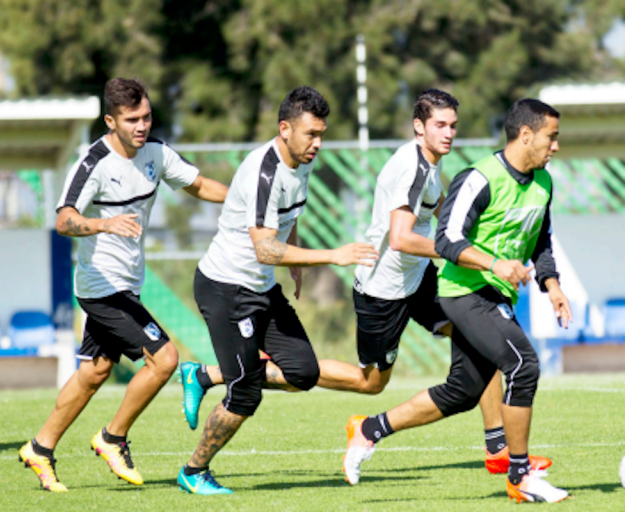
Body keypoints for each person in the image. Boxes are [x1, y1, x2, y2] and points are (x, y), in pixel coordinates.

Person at [180, 89, 550, 475]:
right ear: (419, 127)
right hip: (382, 290)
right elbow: (401, 239)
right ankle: (211, 384)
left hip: (416, 277)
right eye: (440, 125)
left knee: (478, 333)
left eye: (453, 125)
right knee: (369, 383)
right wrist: (459, 251)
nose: (449, 133)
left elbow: (435, 206)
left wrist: (467, 232)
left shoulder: (424, 163)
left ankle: (498, 448)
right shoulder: (405, 167)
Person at [343, 99, 571, 504]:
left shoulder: (544, 183)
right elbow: (446, 239)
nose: (555, 146)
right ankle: (518, 472)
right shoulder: (479, 178)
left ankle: (370, 430)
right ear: (526, 135)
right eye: (551, 137)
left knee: (463, 390)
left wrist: (552, 285)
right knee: (522, 364)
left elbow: (541, 240)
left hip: (491, 291)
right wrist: (494, 262)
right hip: (461, 291)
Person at [17, 77, 227, 492]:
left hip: (127, 284)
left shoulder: (157, 153)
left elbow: (199, 185)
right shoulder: (93, 163)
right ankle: (112, 438)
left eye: (147, 116)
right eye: (132, 119)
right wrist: (103, 223)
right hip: (100, 286)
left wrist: (245, 199)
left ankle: (40, 448)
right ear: (110, 120)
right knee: (164, 359)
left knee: (94, 372)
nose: (142, 125)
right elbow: (63, 220)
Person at [177, 86, 377, 495]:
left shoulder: (300, 161)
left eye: (322, 134)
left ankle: (203, 375)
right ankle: (193, 471)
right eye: (310, 135)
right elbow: (265, 249)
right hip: (226, 289)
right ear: (284, 129)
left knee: (304, 372)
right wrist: (330, 256)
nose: (317, 144)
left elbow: (287, 217)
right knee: (246, 393)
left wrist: (298, 261)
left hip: (261, 288)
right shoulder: (262, 173)